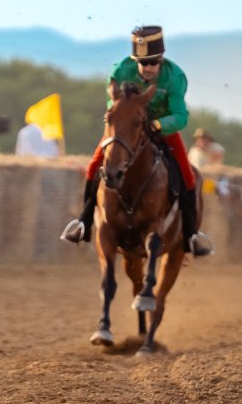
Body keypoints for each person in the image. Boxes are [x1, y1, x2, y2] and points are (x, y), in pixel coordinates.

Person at [60, 25, 214, 258]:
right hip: (125, 131)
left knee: (188, 175)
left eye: (153, 62)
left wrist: (157, 125)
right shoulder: (120, 71)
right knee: (94, 166)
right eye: (143, 63)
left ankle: (191, 234)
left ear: (161, 59)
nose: (148, 68)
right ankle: (83, 223)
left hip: (161, 129)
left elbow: (180, 116)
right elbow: (112, 106)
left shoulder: (175, 77)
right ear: (135, 61)